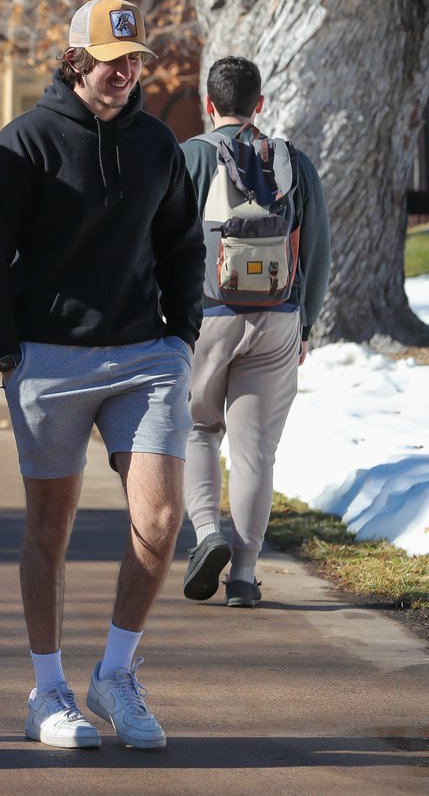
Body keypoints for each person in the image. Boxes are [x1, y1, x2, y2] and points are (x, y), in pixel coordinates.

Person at [0, 0, 204, 750]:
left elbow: (183, 245)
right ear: (75, 60)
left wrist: (181, 337)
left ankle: (117, 674)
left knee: (161, 521)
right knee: (51, 530)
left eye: (134, 60)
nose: (125, 73)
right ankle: (47, 692)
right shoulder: (25, 143)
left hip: (145, 357)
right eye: (111, 60)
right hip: (50, 359)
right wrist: (11, 349)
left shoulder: (157, 143)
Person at [180, 57, 331, 608]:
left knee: (197, 431)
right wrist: (306, 322)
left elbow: (159, 245)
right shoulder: (293, 163)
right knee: (255, 455)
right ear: (259, 105)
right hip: (278, 318)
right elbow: (317, 252)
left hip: (206, 319)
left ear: (208, 104)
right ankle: (243, 577)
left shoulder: (189, 159)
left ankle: (205, 535)